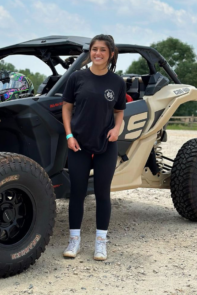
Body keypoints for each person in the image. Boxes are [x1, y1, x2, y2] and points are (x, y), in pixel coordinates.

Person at [62, 34, 126, 261]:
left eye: (102, 50)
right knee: (77, 193)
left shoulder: (117, 82)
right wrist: (69, 134)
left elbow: (119, 112)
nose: (97, 53)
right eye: (94, 49)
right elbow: (67, 108)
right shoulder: (76, 78)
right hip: (78, 144)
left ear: (111, 54)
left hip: (106, 145)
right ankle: (74, 241)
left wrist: (117, 129)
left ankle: (100, 243)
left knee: (102, 194)